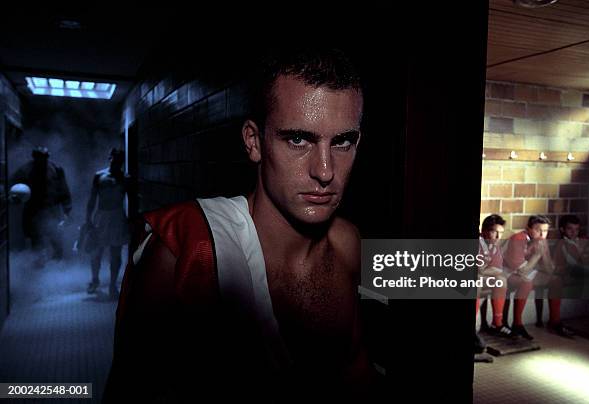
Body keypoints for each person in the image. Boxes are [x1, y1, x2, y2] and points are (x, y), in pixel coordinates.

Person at [103, 48, 373, 402]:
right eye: (298, 139)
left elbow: (354, 373)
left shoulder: (348, 244)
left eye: (342, 142)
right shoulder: (184, 254)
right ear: (254, 142)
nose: (325, 171)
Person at [10, 146, 72, 265]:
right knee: (35, 238)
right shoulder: (25, 170)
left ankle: (58, 264)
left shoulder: (56, 169)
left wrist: (67, 208)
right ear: (34, 157)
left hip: (52, 209)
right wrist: (15, 197)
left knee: (55, 237)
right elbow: (13, 184)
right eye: (39, 157)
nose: (42, 160)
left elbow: (63, 189)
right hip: (33, 210)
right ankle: (39, 266)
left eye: (44, 157)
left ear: (47, 157)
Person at [84, 148, 130, 298]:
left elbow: (133, 200)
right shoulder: (99, 176)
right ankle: (95, 279)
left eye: (119, 160)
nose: (117, 162)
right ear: (110, 159)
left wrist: (130, 220)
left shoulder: (124, 178)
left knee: (115, 253)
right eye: (114, 159)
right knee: (97, 251)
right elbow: (92, 199)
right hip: (101, 216)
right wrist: (88, 219)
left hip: (117, 215)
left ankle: (112, 285)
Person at [503, 215, 554, 340]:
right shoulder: (518, 239)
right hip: (505, 271)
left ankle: (555, 320)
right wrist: (537, 255)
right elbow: (521, 271)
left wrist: (544, 254)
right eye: (538, 230)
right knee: (526, 282)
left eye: (545, 231)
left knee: (556, 280)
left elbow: (549, 269)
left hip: (527, 270)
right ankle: (517, 323)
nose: (542, 234)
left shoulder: (541, 240)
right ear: (528, 229)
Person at [476, 214, 513, 338]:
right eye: (494, 232)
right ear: (484, 231)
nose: (498, 237)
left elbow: (497, 269)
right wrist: (482, 271)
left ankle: (497, 324)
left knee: (501, 280)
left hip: (481, 276)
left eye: (501, 233)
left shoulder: (494, 245)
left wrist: (482, 271)